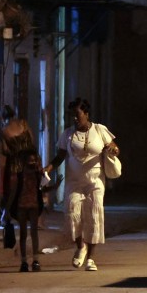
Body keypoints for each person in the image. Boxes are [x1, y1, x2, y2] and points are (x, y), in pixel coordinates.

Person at [45, 98, 119, 272]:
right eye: (72, 116)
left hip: (95, 181)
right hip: (74, 181)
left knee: (94, 216)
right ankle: (81, 247)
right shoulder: (68, 134)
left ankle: (91, 259)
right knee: (71, 214)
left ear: (86, 114)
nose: (75, 119)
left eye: (77, 115)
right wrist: (47, 168)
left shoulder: (99, 130)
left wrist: (113, 150)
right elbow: (60, 156)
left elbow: (114, 147)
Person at [3, 147, 44, 272]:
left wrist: (55, 185)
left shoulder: (38, 175)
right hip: (21, 206)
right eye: (30, 160)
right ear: (24, 161)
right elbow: (14, 192)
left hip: (34, 206)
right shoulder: (20, 175)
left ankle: (35, 260)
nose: (32, 163)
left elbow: (42, 188)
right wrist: (7, 209)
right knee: (23, 234)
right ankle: (24, 261)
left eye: (34, 160)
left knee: (34, 233)